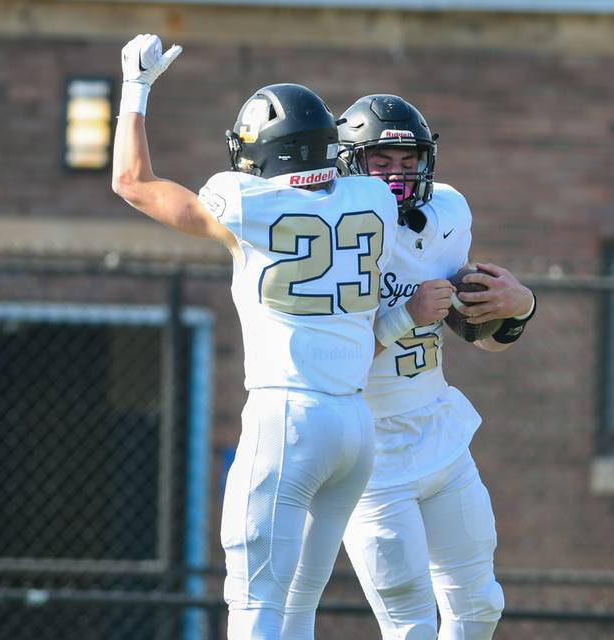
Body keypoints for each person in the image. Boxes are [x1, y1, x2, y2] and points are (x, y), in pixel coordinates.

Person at [112, 36, 448, 640]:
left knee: (256, 607)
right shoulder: (372, 198)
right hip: (354, 428)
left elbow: (132, 182)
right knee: (298, 606)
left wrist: (135, 90)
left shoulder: (246, 203)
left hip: (286, 417)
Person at [328, 95, 534, 640]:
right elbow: (330, 362)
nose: (397, 175)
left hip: (440, 433)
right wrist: (403, 318)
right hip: (371, 454)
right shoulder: (334, 231)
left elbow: (477, 335)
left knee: (480, 606)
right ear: (350, 163)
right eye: (381, 162)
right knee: (411, 626)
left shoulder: (446, 213)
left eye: (408, 161)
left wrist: (518, 308)